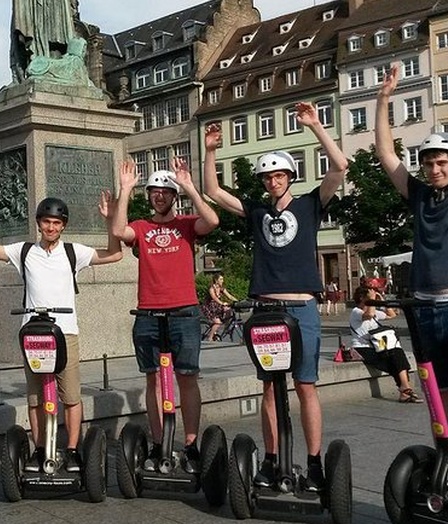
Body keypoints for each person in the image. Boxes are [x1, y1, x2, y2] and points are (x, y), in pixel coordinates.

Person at [203, 101, 349, 492]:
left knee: (305, 385)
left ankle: (315, 463)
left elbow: (339, 167)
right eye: (267, 177)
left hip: (301, 306)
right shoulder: (255, 212)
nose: (273, 182)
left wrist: (316, 125)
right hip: (267, 309)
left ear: (290, 176)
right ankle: (270, 460)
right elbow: (213, 190)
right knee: (269, 385)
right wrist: (212, 150)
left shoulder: (310, 204)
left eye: (279, 175)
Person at [375, 37, 448, 482]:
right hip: (425, 310)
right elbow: (386, 156)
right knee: (441, 401)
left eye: (442, 162)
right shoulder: (419, 196)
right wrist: (383, 99)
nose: (434, 168)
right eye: (428, 163)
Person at [0, 182, 122, 472]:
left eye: (56, 223)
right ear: (39, 223)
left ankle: (71, 450)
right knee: (36, 397)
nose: (51, 227)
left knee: (70, 396)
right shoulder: (25, 251)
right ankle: (40, 449)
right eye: (46, 222)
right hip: (33, 333)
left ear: (63, 226)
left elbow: (115, 254)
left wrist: (109, 221)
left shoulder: (72, 252)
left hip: (65, 332)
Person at [111, 157, 219, 472]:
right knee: (154, 380)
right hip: (148, 311)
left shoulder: (186, 225)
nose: (159, 196)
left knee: (187, 377)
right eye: (154, 191)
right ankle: (159, 444)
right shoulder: (142, 228)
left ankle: (190, 444)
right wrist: (126, 189)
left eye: (165, 191)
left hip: (183, 310)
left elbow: (211, 221)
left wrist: (189, 186)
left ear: (173, 196)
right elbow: (119, 230)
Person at [348, 282, 420, 403]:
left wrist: (382, 301)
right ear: (362, 297)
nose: (373, 297)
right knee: (392, 360)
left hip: (379, 346)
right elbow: (369, 315)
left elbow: (391, 315)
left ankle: (405, 389)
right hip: (362, 348)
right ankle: (405, 390)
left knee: (397, 352)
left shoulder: (375, 311)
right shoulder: (356, 312)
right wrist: (371, 300)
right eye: (370, 295)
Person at [201, 273, 238, 341]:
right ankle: (210, 338)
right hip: (209, 307)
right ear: (216, 280)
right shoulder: (211, 288)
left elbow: (229, 296)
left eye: (222, 279)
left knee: (228, 310)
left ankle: (226, 328)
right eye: (221, 279)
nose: (222, 281)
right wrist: (222, 303)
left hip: (216, 306)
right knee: (218, 322)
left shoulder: (221, 288)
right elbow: (214, 297)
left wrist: (238, 301)